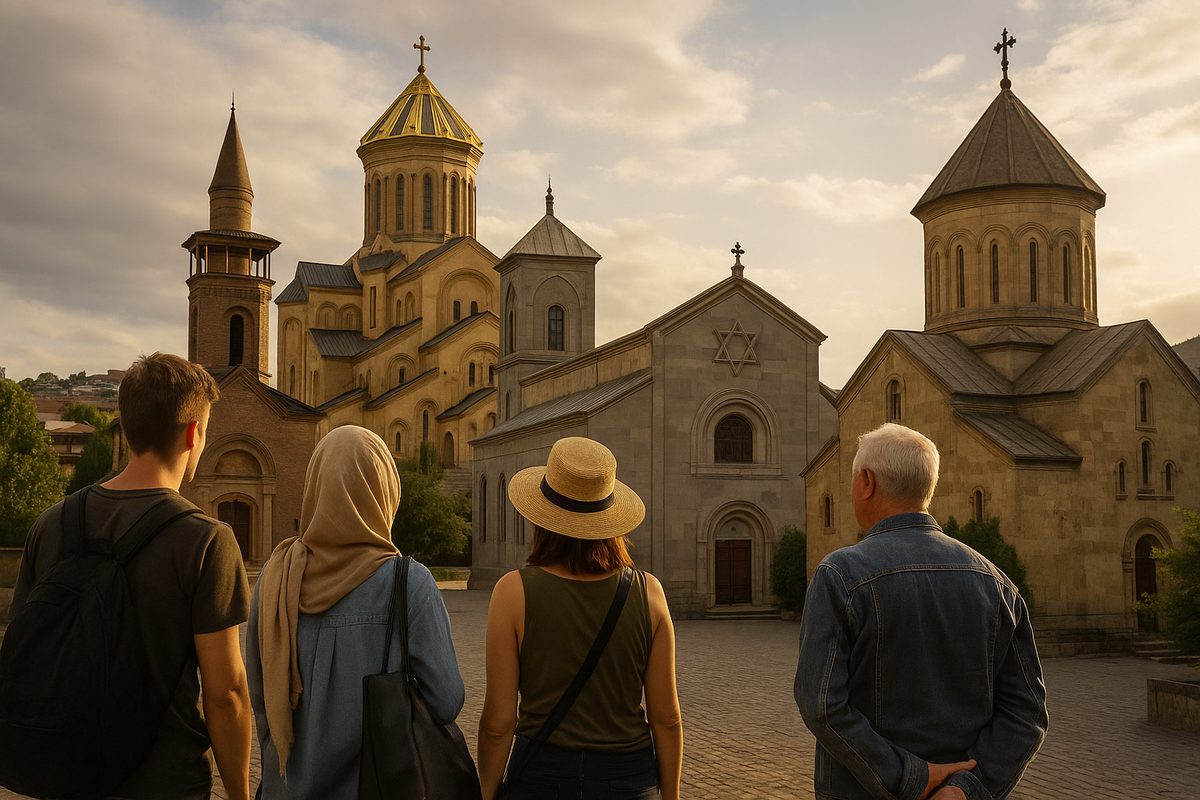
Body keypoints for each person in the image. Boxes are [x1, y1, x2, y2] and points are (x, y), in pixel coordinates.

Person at [9, 352, 253, 800]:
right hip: (166, 784)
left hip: (65, 776)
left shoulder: (52, 523)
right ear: (194, 433)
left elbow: (24, 646)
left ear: (130, 424)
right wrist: (238, 794)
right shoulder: (207, 541)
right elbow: (226, 693)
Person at [794, 423, 1047, 800]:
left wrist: (907, 776)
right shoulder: (996, 583)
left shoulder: (840, 576)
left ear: (867, 481)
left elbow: (822, 706)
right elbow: (1027, 712)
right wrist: (966, 790)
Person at [247, 424, 465, 799]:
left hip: (285, 788)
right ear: (385, 492)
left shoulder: (275, 577)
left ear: (314, 486)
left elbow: (258, 691)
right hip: (379, 786)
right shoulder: (408, 583)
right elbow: (446, 700)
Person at [477, 436, 683, 800]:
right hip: (629, 778)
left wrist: (488, 793)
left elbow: (498, 724)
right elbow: (666, 719)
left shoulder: (512, 592)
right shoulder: (649, 593)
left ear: (542, 517)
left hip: (540, 776)